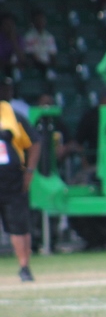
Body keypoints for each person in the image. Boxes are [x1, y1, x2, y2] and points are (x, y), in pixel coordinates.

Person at [1, 89, 41, 281]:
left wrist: (29, 171)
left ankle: (24, 267)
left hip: (12, 181)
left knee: (19, 226)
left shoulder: (12, 116)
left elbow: (35, 143)